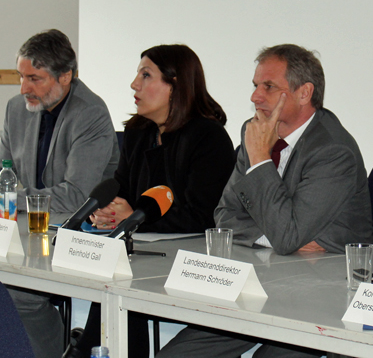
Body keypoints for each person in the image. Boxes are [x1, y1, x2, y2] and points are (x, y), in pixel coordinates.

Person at [157, 44, 373, 358]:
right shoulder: (255, 131)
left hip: (321, 296)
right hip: (260, 282)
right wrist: (275, 235)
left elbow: (286, 235)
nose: (255, 97)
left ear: (304, 93)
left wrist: (259, 161)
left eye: (268, 87)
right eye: (256, 86)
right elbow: (225, 216)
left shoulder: (332, 150)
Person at [64, 44, 236, 358]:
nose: (134, 84)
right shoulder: (137, 132)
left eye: (146, 75)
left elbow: (206, 216)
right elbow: (123, 192)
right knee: (112, 283)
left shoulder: (209, 138)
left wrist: (137, 215)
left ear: (176, 86)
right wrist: (107, 213)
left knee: (120, 285)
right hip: (142, 259)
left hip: (190, 262)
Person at [0, 29, 119, 358]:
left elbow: (76, 196)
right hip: (28, 233)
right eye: (22, 77)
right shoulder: (15, 108)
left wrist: (12, 199)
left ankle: (61, 353)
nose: (24, 88)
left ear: (65, 76)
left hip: (76, 236)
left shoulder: (90, 113)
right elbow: (4, 174)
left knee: (18, 294)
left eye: (34, 79)